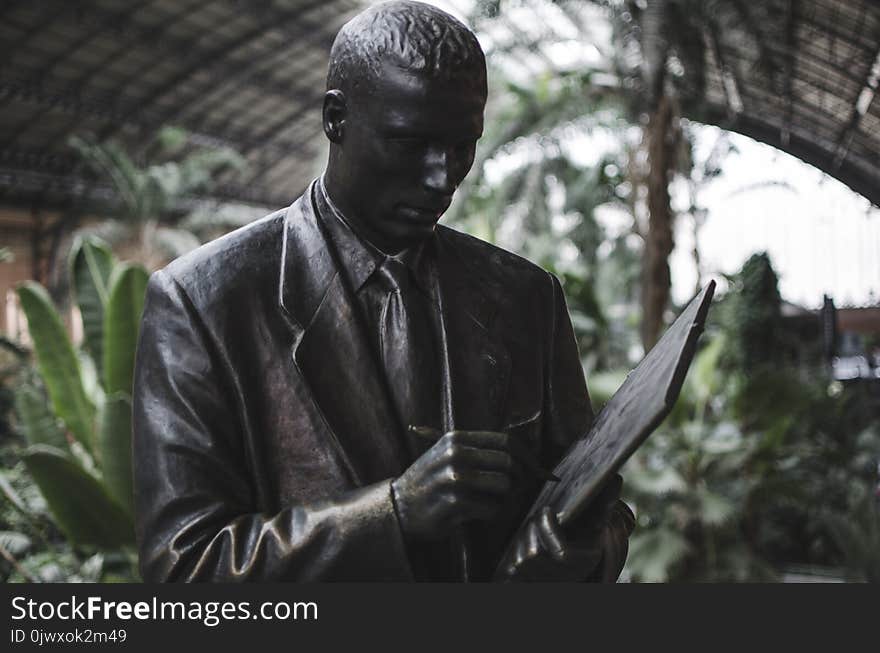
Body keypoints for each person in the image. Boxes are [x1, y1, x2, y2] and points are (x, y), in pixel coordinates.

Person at [132, 0, 634, 582]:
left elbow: (600, 506)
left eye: (462, 145)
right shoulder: (203, 304)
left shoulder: (527, 299)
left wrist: (580, 553)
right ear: (336, 120)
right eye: (409, 142)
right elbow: (182, 569)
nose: (442, 177)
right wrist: (392, 515)